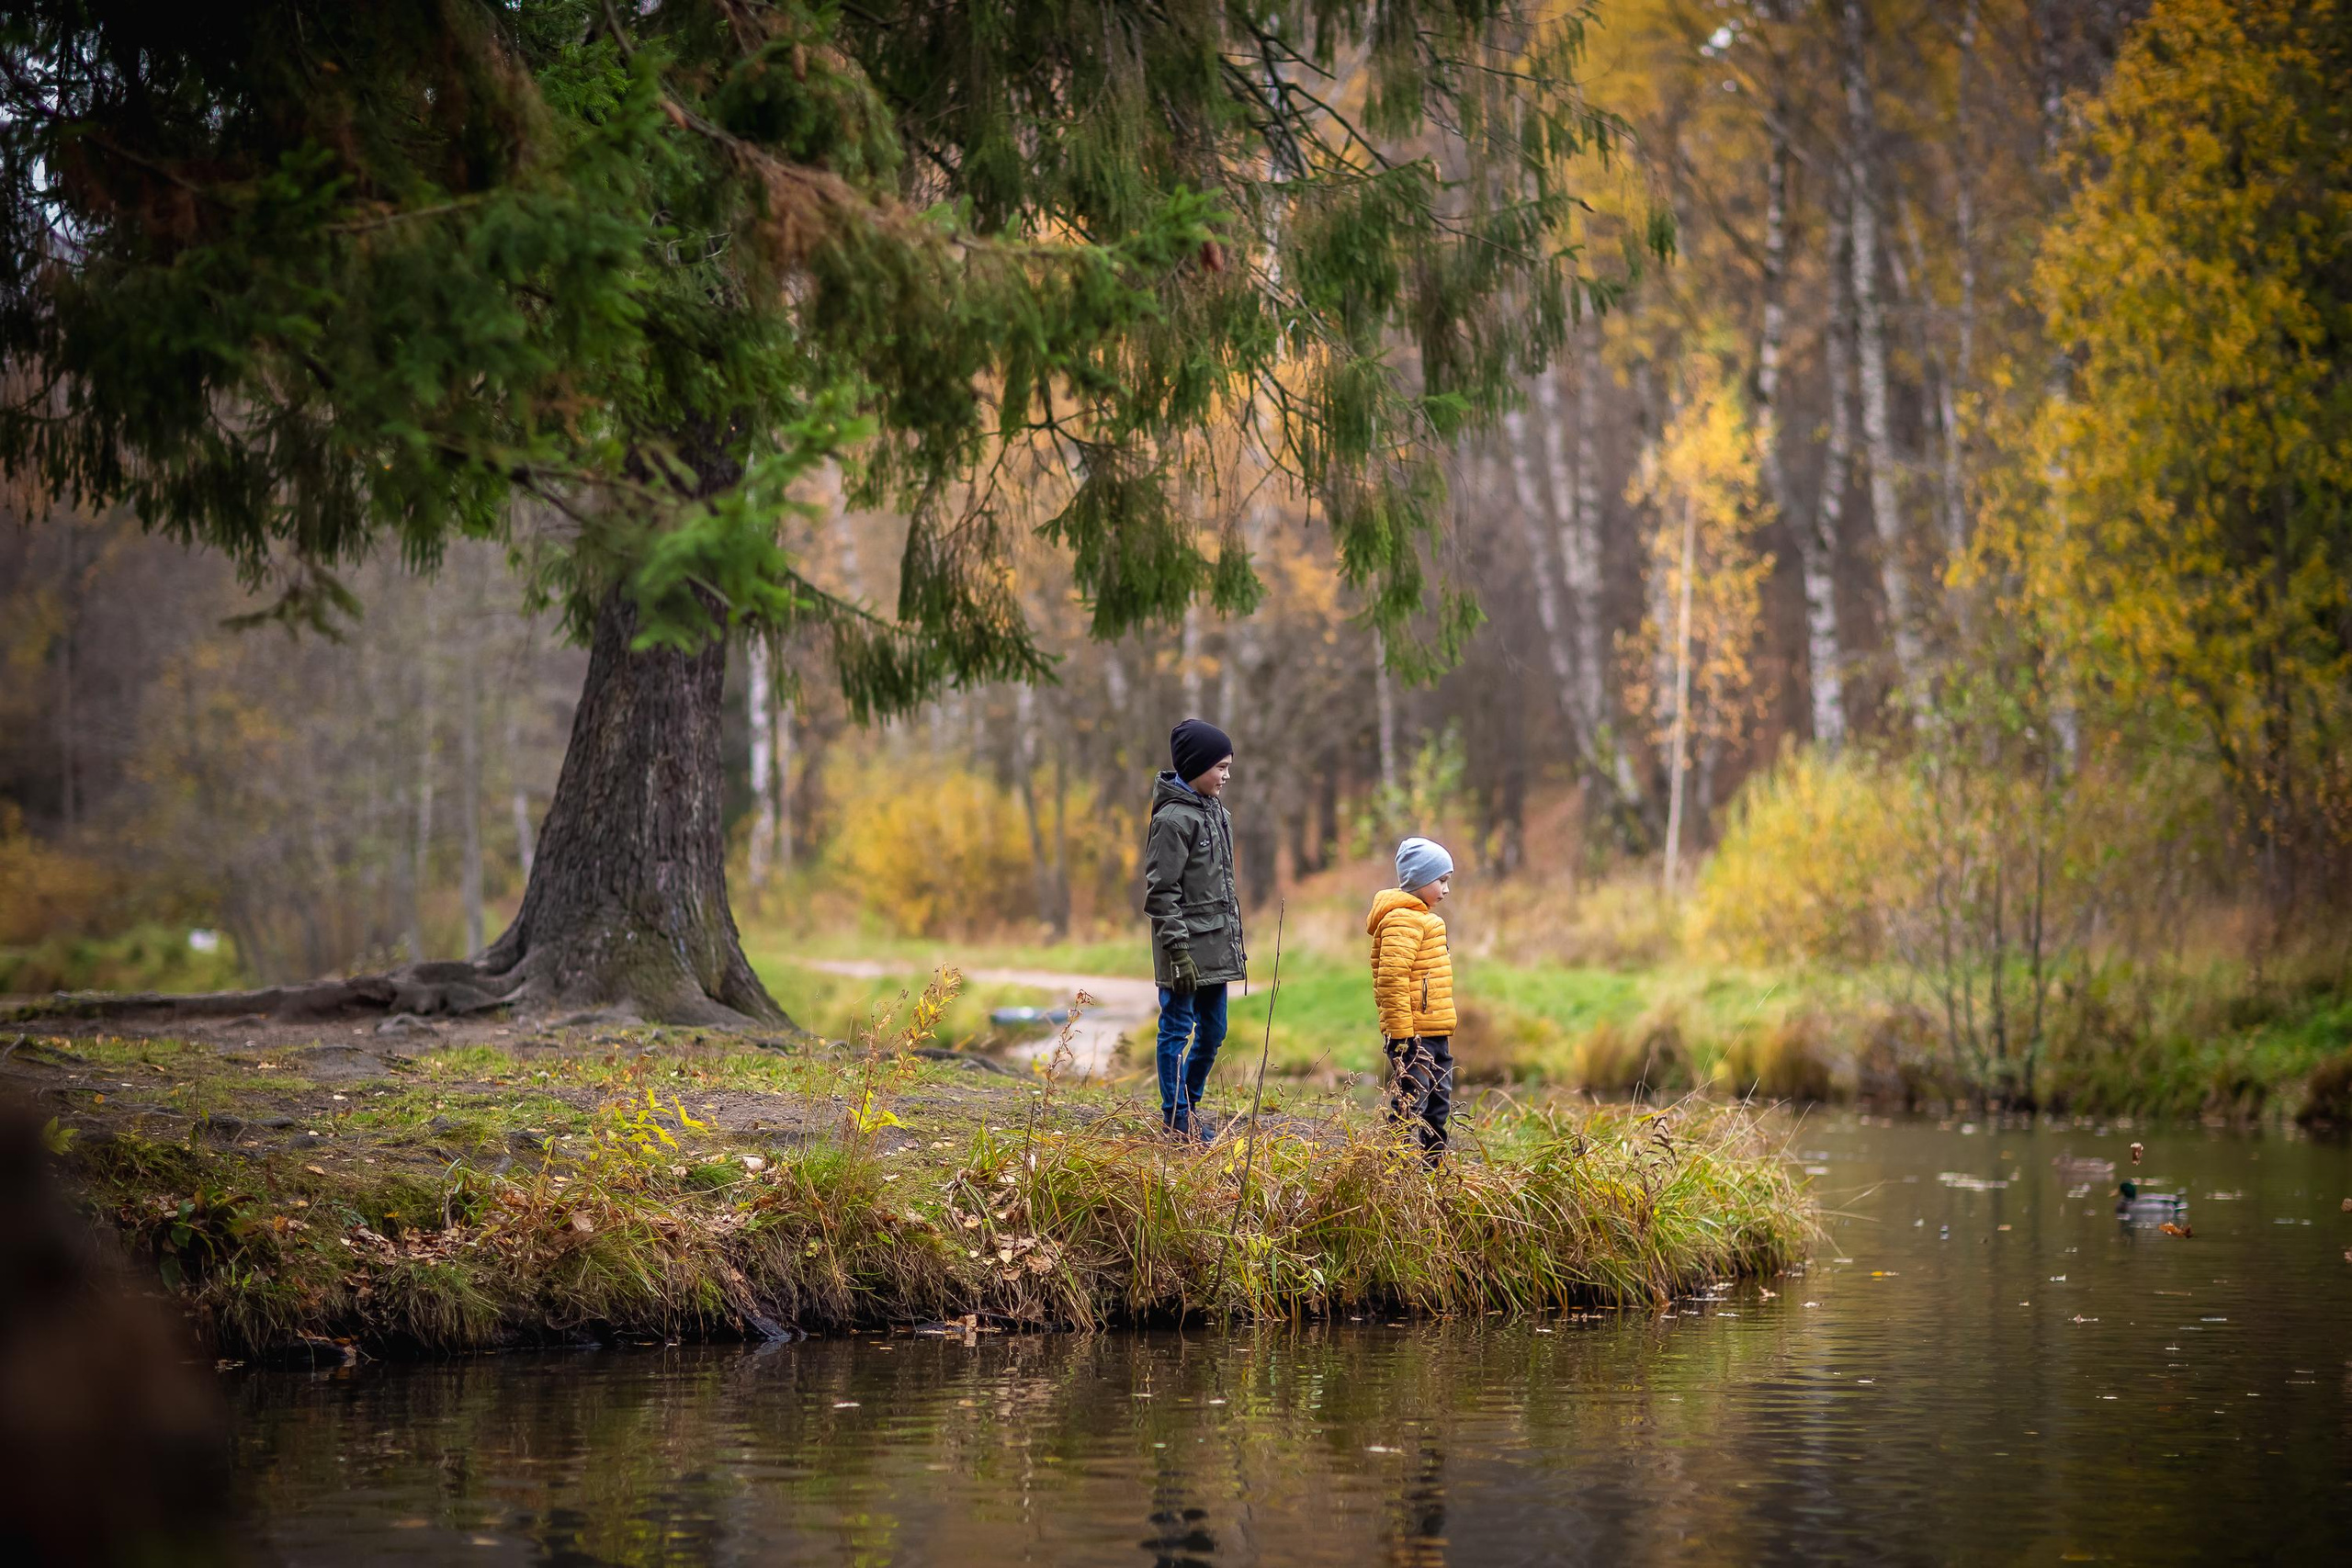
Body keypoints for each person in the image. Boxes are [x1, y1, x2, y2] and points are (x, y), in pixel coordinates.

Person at [1143, 717, 1245, 1139]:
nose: (1226, 776)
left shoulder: (1219, 814)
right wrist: (1178, 952)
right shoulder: (1172, 821)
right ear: (1195, 766)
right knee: (1176, 1029)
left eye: (1228, 767)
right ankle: (1177, 1119)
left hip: (1215, 948)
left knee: (1215, 1031)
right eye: (1220, 767)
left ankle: (1189, 1102)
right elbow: (1161, 892)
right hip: (1182, 949)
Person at [1367, 836, 1456, 1166]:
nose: (1446, 889)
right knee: (1410, 1102)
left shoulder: (1424, 919)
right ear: (1419, 879)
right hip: (1414, 1035)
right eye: (1441, 880)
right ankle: (1396, 1170)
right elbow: (1392, 979)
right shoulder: (1402, 920)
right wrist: (1402, 1036)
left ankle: (1433, 1169)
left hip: (1435, 1031)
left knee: (1438, 1102)